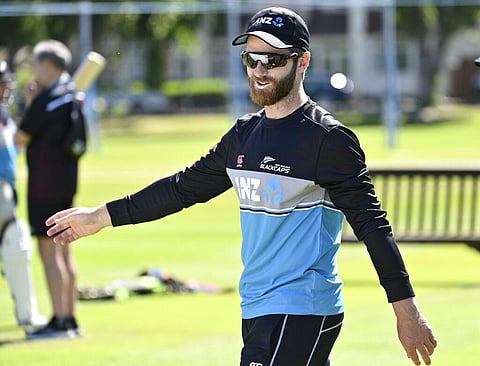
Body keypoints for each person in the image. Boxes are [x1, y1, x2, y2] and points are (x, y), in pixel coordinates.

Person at [46, 7, 437, 365]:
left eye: (273, 59)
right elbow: (182, 189)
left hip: (301, 307)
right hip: (256, 306)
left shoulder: (327, 139)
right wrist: (100, 216)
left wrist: (407, 311)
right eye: (251, 58)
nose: (260, 70)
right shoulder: (244, 136)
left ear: (302, 62)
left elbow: (372, 225)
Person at [14, 40, 82, 340]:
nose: (34, 71)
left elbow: (19, 138)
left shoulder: (46, 99)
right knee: (65, 251)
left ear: (46, 65)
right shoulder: (71, 93)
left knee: (49, 251)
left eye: (36, 65)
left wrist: (30, 103)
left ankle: (58, 322)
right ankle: (70, 320)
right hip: (66, 181)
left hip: (43, 184)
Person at [0, 59, 47, 332]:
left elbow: (19, 141)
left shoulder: (4, 114)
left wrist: (32, 106)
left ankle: (27, 314)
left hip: (6, 189)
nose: (7, 88)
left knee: (17, 248)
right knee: (16, 245)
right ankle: (27, 314)